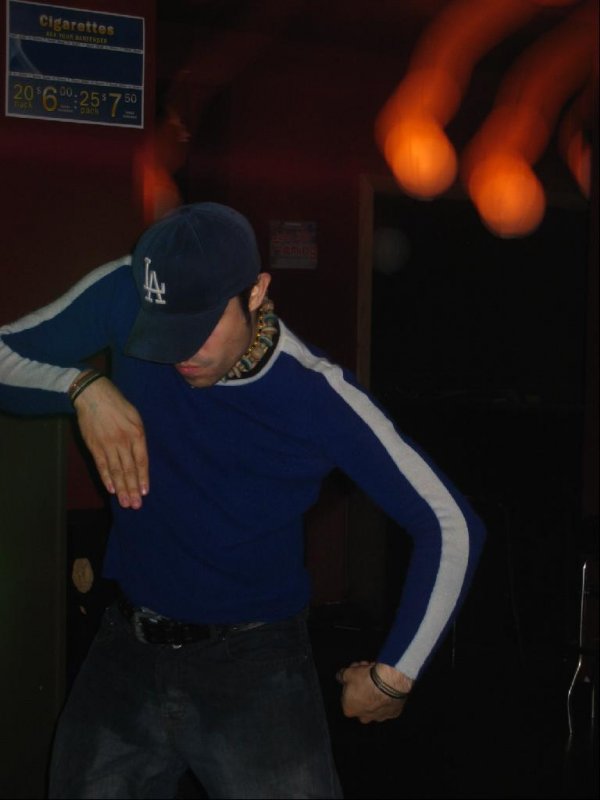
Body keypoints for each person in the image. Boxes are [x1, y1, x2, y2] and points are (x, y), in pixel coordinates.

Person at [0, 202, 485, 800]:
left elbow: (450, 523)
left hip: (256, 667)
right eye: (163, 329)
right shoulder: (129, 287)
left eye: (200, 326)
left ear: (256, 292)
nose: (180, 352)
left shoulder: (315, 395)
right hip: (124, 649)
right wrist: (81, 386)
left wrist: (394, 677)